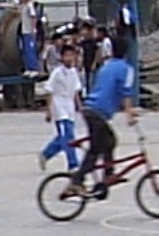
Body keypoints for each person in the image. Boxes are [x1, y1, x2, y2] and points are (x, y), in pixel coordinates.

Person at [75, 33, 137, 197]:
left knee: (109, 141)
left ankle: (106, 177)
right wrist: (129, 114)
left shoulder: (106, 66)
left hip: (91, 109)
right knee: (96, 148)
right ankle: (77, 180)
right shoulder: (126, 69)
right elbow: (126, 92)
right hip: (98, 112)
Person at [40, 42, 84, 172]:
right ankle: (73, 163)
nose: (69, 58)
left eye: (71, 55)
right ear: (62, 57)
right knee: (68, 136)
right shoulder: (57, 73)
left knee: (63, 138)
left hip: (69, 107)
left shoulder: (74, 72)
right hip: (59, 107)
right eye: (66, 55)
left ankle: (46, 153)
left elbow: (75, 91)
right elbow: (49, 91)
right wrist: (48, 110)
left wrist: (80, 106)